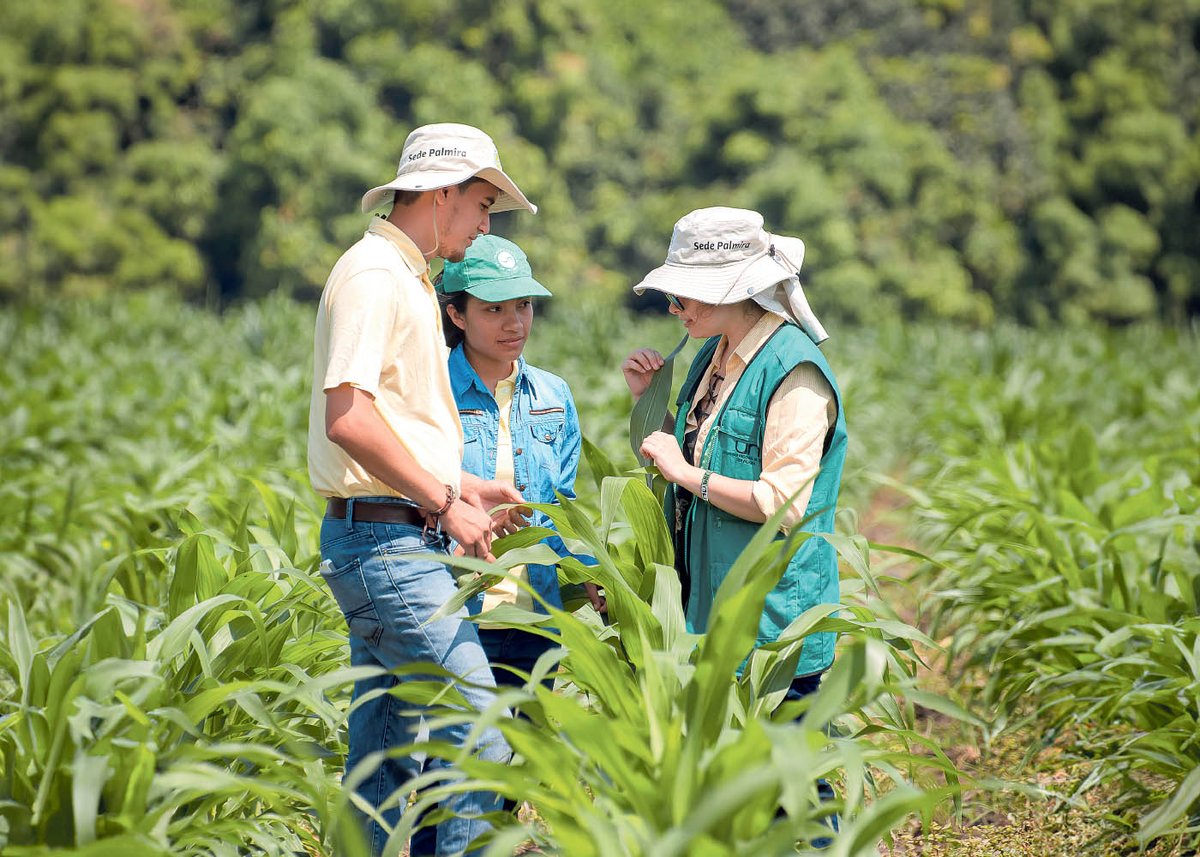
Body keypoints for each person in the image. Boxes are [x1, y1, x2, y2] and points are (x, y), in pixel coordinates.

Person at [308, 122, 537, 857]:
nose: (482, 226)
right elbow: (349, 417)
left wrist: (465, 482)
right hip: (387, 543)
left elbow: (394, 421)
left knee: (384, 752)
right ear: (440, 196)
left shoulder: (405, 276)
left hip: (387, 534)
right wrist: (445, 505)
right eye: (480, 207)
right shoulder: (376, 276)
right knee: (482, 726)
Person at [621, 206, 847, 839]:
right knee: (734, 798)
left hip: (772, 620)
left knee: (795, 802)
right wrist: (651, 409)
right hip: (712, 609)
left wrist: (681, 470)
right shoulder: (713, 356)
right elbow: (693, 460)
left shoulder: (793, 370)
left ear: (737, 288)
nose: (677, 310)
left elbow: (783, 501)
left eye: (687, 296)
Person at [437, 234, 603, 687]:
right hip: (456, 613)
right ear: (456, 314)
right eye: (494, 309)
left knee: (526, 751)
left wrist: (588, 569)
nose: (515, 323)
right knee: (458, 754)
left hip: (534, 617)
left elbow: (561, 505)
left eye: (523, 305)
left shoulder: (553, 395)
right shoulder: (431, 391)